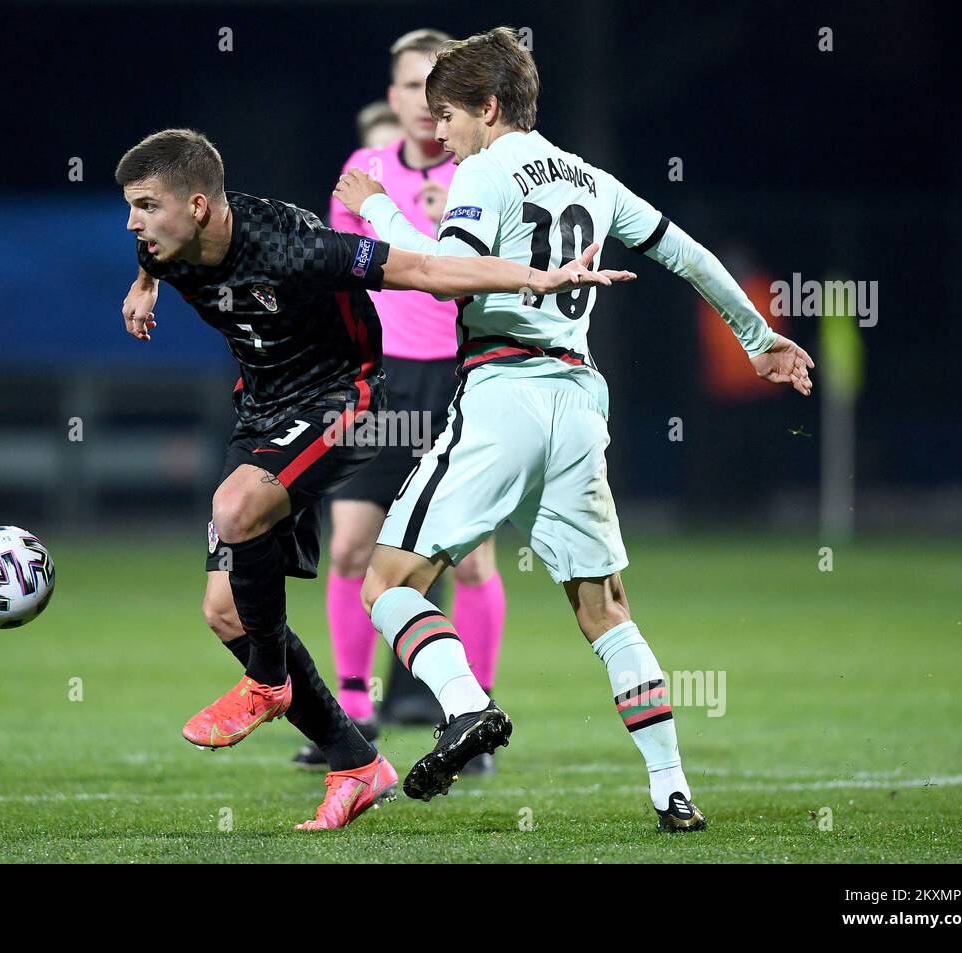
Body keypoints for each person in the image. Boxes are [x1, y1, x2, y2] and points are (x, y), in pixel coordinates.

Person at [334, 28, 814, 831]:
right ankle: (671, 789)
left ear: (487, 108)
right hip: (580, 402)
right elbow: (689, 254)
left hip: (502, 393)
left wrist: (372, 204)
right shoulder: (590, 177)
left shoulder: (485, 173)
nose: (440, 133)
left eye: (447, 115)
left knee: (385, 581)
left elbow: (439, 272)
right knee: (605, 607)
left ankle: (465, 705)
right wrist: (758, 337)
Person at [118, 126, 633, 829]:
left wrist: (536, 278)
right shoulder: (162, 242)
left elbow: (422, 271)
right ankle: (356, 760)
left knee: (235, 507)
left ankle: (267, 682)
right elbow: (148, 254)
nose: (133, 222)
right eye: (132, 208)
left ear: (200, 206)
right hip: (264, 410)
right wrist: (144, 287)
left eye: (145, 206)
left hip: (345, 397)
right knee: (225, 610)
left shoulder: (292, 246)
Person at [301, 28, 509, 771]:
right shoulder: (364, 170)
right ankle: (352, 717)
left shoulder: (484, 172)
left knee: (473, 559)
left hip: (460, 377)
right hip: (378, 378)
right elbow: (339, 269)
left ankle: (473, 716)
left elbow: (501, 268)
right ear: (392, 100)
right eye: (412, 88)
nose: (426, 105)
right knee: (353, 546)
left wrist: (438, 216)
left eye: (438, 89)